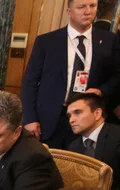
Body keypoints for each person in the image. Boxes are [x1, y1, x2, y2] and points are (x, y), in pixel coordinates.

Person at [20, 0, 120, 149]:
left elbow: (117, 77)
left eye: (92, 6)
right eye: (81, 7)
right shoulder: (46, 42)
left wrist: (101, 91)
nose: (88, 11)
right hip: (51, 119)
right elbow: (29, 83)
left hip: (88, 120)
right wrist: (29, 119)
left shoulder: (110, 41)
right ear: (69, 12)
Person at [66, 92, 120, 190]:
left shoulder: (117, 137)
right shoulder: (73, 147)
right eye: (69, 115)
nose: (71, 120)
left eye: (78, 112)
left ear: (97, 113)